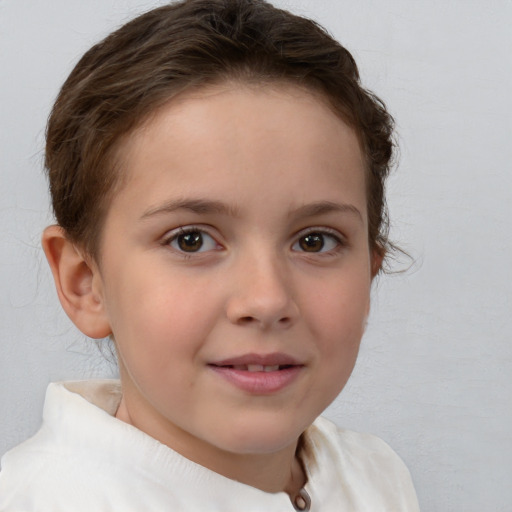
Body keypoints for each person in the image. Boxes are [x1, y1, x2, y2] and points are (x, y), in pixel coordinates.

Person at [0, 0, 420, 510]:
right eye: (191, 240)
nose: (266, 300)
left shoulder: (378, 477)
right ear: (86, 282)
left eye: (315, 241)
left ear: (369, 273)